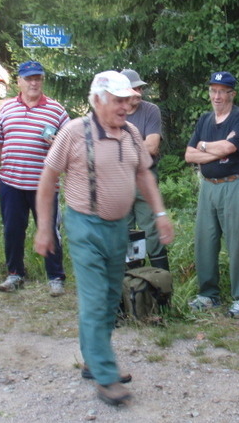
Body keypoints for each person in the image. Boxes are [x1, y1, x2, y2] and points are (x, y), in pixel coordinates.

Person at [34, 70, 174, 406]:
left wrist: (160, 214)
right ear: (97, 100)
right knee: (96, 298)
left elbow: (144, 175)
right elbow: (47, 180)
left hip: (117, 228)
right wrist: (44, 228)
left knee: (111, 297)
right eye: (118, 100)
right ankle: (106, 375)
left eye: (128, 100)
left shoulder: (131, 134)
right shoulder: (73, 132)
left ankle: (91, 360)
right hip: (85, 226)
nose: (126, 106)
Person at [0, 60, 69, 296]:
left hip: (44, 185)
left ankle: (55, 277)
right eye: (29, 78)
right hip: (10, 182)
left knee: (49, 229)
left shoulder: (56, 110)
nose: (34, 83)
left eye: (38, 78)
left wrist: (58, 144)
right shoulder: (6, 109)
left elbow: (71, 145)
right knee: (12, 230)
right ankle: (15, 274)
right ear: (19, 82)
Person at [184, 71, 239, 319]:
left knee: (237, 242)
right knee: (205, 240)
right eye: (213, 91)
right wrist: (215, 150)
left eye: (222, 91)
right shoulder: (205, 120)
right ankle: (208, 295)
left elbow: (230, 147)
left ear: (232, 94)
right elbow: (189, 155)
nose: (217, 96)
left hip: (234, 184)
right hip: (208, 186)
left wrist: (204, 147)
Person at [120, 68, 169, 270]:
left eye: (140, 88)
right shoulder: (113, 112)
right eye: (134, 89)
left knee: (152, 229)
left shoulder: (150, 110)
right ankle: (135, 280)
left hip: (144, 177)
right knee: (125, 231)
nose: (139, 92)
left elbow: (152, 146)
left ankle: (161, 279)